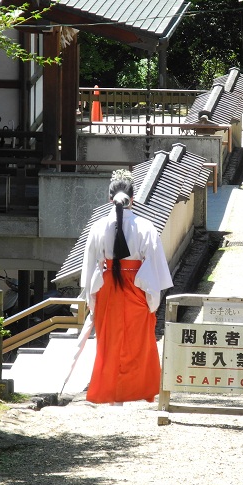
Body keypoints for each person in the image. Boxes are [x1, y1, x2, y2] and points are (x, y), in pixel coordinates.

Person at [81, 170, 173, 405]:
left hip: (107, 287)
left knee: (108, 343)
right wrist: (152, 301)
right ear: (133, 199)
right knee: (139, 342)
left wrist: (92, 300)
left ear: (109, 199)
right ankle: (137, 390)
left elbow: (90, 266)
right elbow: (155, 267)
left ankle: (110, 393)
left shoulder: (98, 226)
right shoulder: (146, 226)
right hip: (137, 286)